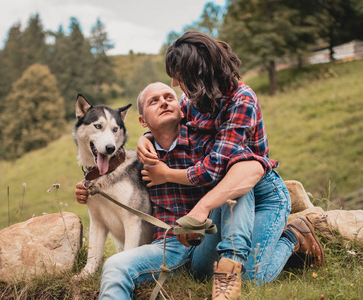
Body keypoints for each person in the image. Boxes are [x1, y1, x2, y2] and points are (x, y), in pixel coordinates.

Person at [136, 31, 324, 299]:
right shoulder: (191, 99)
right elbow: (172, 125)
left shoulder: (241, 100)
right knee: (201, 272)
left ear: (198, 74)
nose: (175, 83)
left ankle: (294, 236)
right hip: (221, 196)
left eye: (180, 75)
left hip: (260, 194)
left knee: (252, 280)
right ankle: (236, 259)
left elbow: (216, 168)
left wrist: (167, 175)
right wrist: (146, 138)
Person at [76, 82, 265, 299]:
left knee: (235, 176)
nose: (163, 102)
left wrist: (167, 175)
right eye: (153, 101)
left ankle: (232, 270)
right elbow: (112, 176)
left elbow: (246, 171)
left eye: (169, 97)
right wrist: (87, 185)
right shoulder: (142, 156)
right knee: (115, 265)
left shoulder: (209, 142)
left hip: (205, 239)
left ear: (181, 109)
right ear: (142, 121)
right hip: (166, 246)